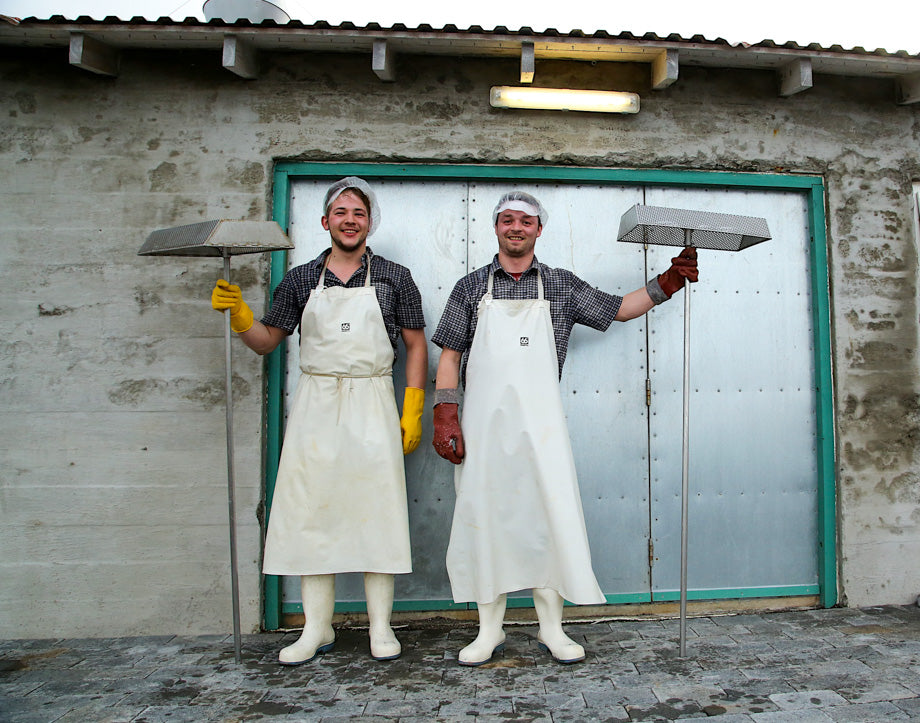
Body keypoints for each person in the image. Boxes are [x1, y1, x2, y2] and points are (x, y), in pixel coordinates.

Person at [430, 190, 697, 666]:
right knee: (483, 516)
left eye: (526, 221)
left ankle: (551, 629)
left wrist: (668, 282)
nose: (516, 227)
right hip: (483, 428)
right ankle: (488, 631)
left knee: (548, 518)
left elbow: (618, 308)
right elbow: (449, 356)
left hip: (542, 426)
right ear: (495, 227)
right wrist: (445, 413)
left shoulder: (560, 285)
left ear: (539, 229)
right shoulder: (470, 287)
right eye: (507, 220)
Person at [210, 177, 427, 665]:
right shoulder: (301, 278)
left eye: (359, 212)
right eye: (341, 212)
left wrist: (411, 409)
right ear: (325, 220)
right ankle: (315, 628)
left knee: (377, 510)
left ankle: (380, 628)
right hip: (317, 401)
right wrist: (241, 316)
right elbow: (268, 341)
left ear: (370, 222)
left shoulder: (396, 277)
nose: (350, 220)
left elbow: (415, 345)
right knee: (312, 512)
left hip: (373, 398)